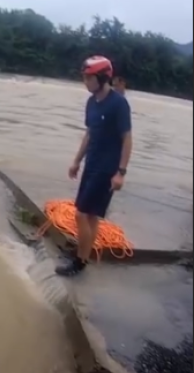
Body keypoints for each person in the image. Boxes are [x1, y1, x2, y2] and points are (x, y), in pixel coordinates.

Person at [56, 56, 133, 276]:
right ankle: (84, 255)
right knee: (90, 216)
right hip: (91, 165)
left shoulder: (118, 104)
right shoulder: (91, 102)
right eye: (84, 77)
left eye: (88, 77)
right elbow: (89, 134)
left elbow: (127, 138)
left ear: (102, 78)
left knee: (80, 214)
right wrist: (77, 161)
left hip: (107, 169)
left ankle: (79, 262)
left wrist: (121, 173)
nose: (85, 82)